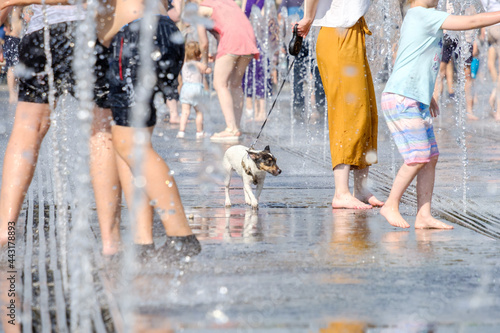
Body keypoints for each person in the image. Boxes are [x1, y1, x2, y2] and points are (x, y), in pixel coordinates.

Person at [380, 0, 500, 229]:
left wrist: (427, 94)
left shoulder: (417, 17)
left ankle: (423, 215)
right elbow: (472, 21)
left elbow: (409, 60)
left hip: (414, 97)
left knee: (430, 156)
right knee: (418, 156)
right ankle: (391, 204)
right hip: (402, 98)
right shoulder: (422, 14)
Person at [296, 0, 384, 209]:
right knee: (348, 113)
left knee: (366, 112)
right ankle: (341, 192)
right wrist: (308, 17)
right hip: (338, 36)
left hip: (353, 33)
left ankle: (361, 188)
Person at [193, 0, 259, 142]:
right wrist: (219, 53)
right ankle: (236, 128)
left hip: (231, 41)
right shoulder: (227, 2)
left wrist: (204, 62)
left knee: (219, 84)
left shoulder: (201, 10)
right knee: (235, 84)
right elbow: (225, 31)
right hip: (248, 40)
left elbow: (203, 43)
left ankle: (231, 128)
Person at [176, 41, 209, 139]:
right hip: (196, 90)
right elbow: (207, 70)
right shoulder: (198, 64)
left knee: (185, 112)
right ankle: (199, 132)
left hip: (185, 89)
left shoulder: (185, 65)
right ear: (199, 54)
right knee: (199, 112)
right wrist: (207, 63)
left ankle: (181, 132)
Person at [480, 0, 500, 121]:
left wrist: (483, 27)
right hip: (498, 25)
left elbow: (482, 8)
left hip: (489, 28)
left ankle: (494, 90)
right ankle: (498, 109)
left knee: (491, 65)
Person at [1, 6, 23, 104]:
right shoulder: (15, 7)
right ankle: (12, 94)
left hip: (17, 38)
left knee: (17, 66)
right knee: (13, 66)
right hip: (14, 39)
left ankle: (14, 93)